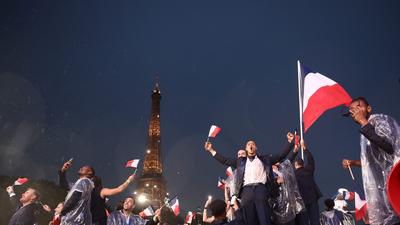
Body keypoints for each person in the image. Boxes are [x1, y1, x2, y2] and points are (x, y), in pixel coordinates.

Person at [204, 132, 295, 225]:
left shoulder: (265, 159)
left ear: (256, 148)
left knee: (264, 218)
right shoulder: (240, 161)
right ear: (246, 149)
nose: (251, 145)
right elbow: (225, 160)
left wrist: (290, 142)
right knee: (249, 220)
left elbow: (281, 155)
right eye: (248, 144)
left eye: (253, 144)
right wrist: (211, 150)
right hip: (246, 192)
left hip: (261, 190)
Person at [342, 97, 400, 225]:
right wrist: (353, 162)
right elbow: (373, 163)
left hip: (396, 189)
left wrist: (363, 121)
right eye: (352, 110)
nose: (355, 111)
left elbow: (389, 147)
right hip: (384, 198)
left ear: (369, 108)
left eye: (358, 106)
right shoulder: (366, 132)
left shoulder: (380, 121)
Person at [59, 160, 136, 225]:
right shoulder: (80, 186)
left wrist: (129, 180)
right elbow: (64, 185)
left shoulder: (99, 191)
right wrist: (63, 171)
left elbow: (118, 189)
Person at [287, 140, 322, 225]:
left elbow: (286, 165)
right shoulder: (309, 170)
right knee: (315, 221)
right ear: (303, 164)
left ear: (295, 165)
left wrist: (294, 150)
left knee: (303, 222)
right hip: (312, 198)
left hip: (301, 202)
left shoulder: (293, 174)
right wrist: (305, 148)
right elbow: (311, 160)